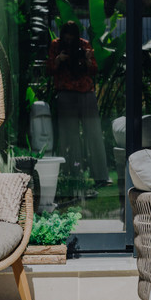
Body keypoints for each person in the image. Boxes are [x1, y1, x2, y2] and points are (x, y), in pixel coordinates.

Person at [48, 21, 110, 195]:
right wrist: (58, 60)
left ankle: (101, 176)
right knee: (71, 137)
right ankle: (75, 174)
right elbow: (49, 69)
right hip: (66, 93)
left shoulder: (84, 45)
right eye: (66, 36)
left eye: (71, 36)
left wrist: (88, 60)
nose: (69, 40)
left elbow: (94, 70)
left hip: (86, 92)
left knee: (94, 133)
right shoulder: (56, 46)